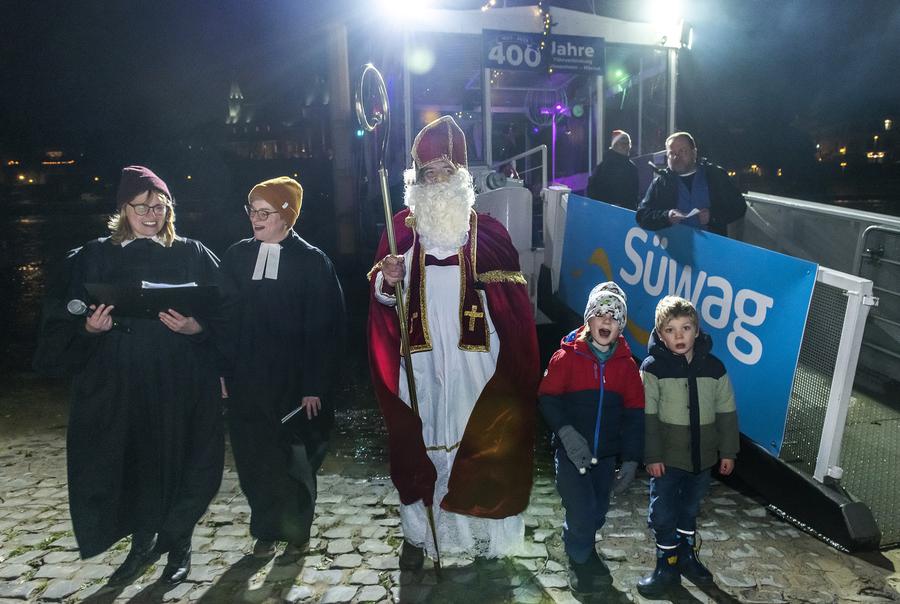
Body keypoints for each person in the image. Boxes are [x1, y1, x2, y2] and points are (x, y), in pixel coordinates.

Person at [36, 166, 224, 585]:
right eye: (142, 207)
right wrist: (88, 328)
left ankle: (178, 546)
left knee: (180, 459)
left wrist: (199, 329)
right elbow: (59, 318)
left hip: (179, 379)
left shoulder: (192, 252)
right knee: (134, 460)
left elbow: (227, 312)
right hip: (118, 380)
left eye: (160, 206)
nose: (152, 214)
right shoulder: (95, 255)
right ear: (123, 208)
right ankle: (141, 545)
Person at [368, 115, 539, 569]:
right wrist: (389, 280)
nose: (438, 180)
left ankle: (480, 532)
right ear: (416, 180)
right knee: (418, 442)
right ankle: (421, 534)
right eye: (428, 173)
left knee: (478, 440)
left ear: (462, 176)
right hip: (421, 361)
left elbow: (515, 311)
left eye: (446, 170)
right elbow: (382, 304)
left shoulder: (489, 232)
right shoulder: (400, 229)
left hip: (476, 362)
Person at [218, 176, 344, 558]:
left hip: (294, 383)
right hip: (247, 381)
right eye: (251, 211)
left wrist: (314, 385)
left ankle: (297, 529)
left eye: (265, 212)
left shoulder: (311, 261)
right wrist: (221, 372)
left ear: (287, 215)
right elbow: (223, 319)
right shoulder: (237, 257)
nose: (255, 219)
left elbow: (327, 329)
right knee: (253, 458)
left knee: (295, 461)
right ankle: (266, 528)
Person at [538, 282, 644, 593]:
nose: (607, 321)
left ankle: (582, 542)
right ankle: (579, 559)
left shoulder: (627, 366)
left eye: (614, 316)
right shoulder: (566, 357)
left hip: (606, 455)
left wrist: (631, 459)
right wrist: (567, 434)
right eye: (600, 314)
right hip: (571, 455)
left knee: (597, 511)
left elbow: (636, 414)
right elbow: (547, 398)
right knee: (581, 509)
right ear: (589, 319)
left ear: (621, 324)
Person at [637, 295, 739, 596]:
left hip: (702, 458)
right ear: (659, 334)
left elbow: (727, 411)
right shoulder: (652, 368)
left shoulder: (715, 367)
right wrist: (652, 455)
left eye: (685, 328)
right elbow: (647, 416)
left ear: (697, 330)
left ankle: (685, 556)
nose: (679, 336)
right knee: (663, 512)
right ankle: (665, 565)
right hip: (666, 460)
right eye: (670, 330)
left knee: (691, 508)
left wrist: (728, 451)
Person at [636, 132, 746, 236]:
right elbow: (642, 216)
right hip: (674, 249)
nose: (676, 157)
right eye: (671, 153)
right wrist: (666, 216)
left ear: (694, 152)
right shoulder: (661, 183)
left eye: (682, 151)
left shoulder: (715, 175)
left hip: (712, 248)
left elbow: (739, 206)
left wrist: (712, 216)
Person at [586, 130, 639, 210]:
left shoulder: (631, 168)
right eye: (623, 144)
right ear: (615, 145)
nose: (627, 146)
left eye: (628, 143)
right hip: (612, 213)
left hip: (613, 213)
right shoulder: (604, 167)